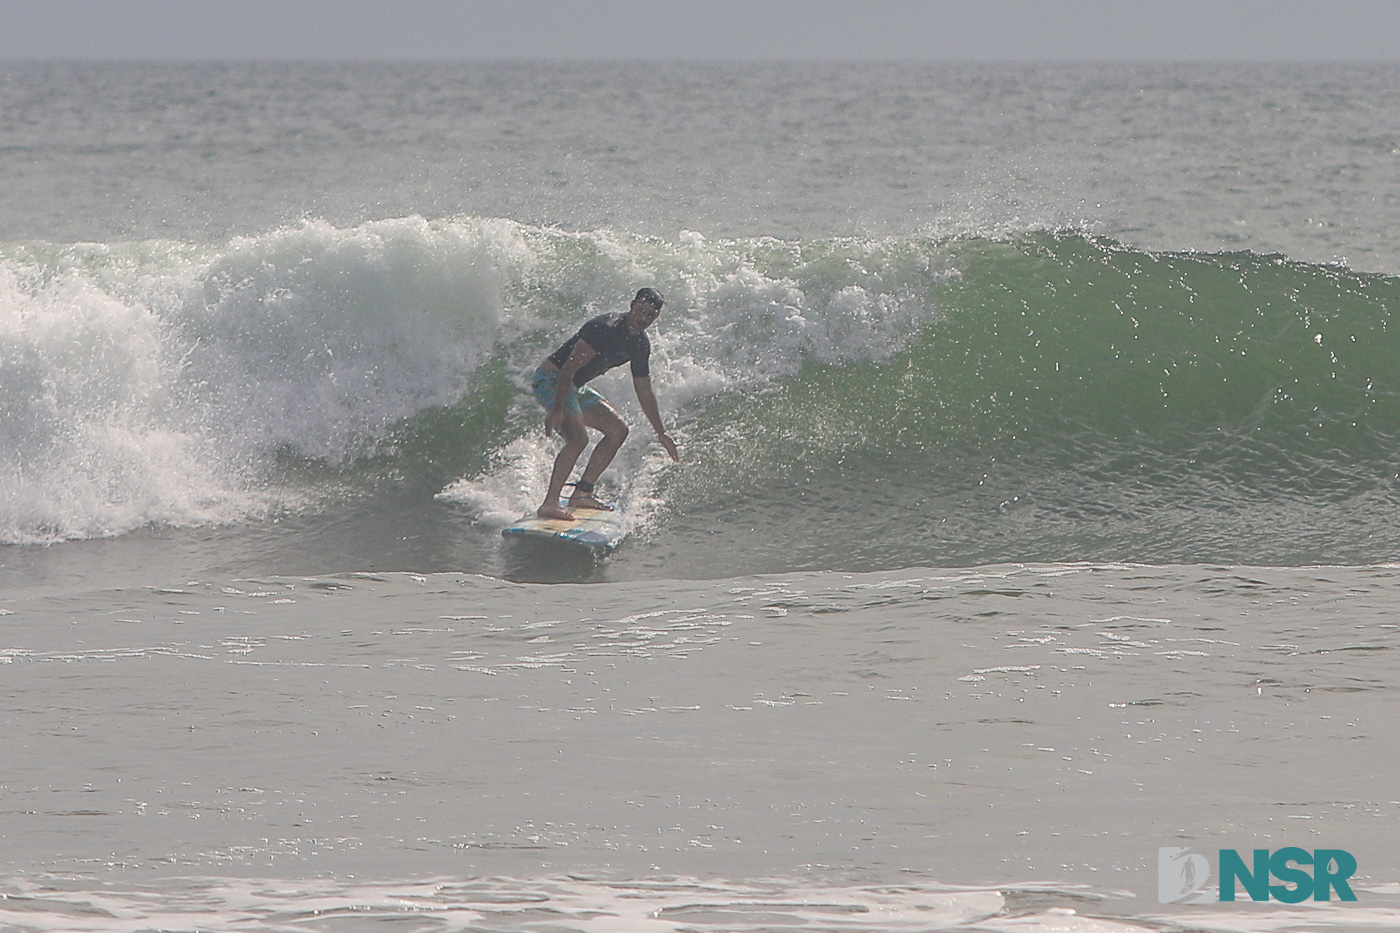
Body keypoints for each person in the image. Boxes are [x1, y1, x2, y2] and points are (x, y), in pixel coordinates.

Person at [531, 287, 680, 520]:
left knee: (617, 430)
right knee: (578, 439)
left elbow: (644, 390)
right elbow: (568, 369)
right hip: (552, 380)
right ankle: (549, 504)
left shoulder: (640, 344)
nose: (643, 318)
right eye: (641, 310)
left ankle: (582, 494)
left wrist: (661, 433)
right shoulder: (604, 329)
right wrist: (558, 409)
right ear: (632, 306)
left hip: (574, 387)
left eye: (650, 315)